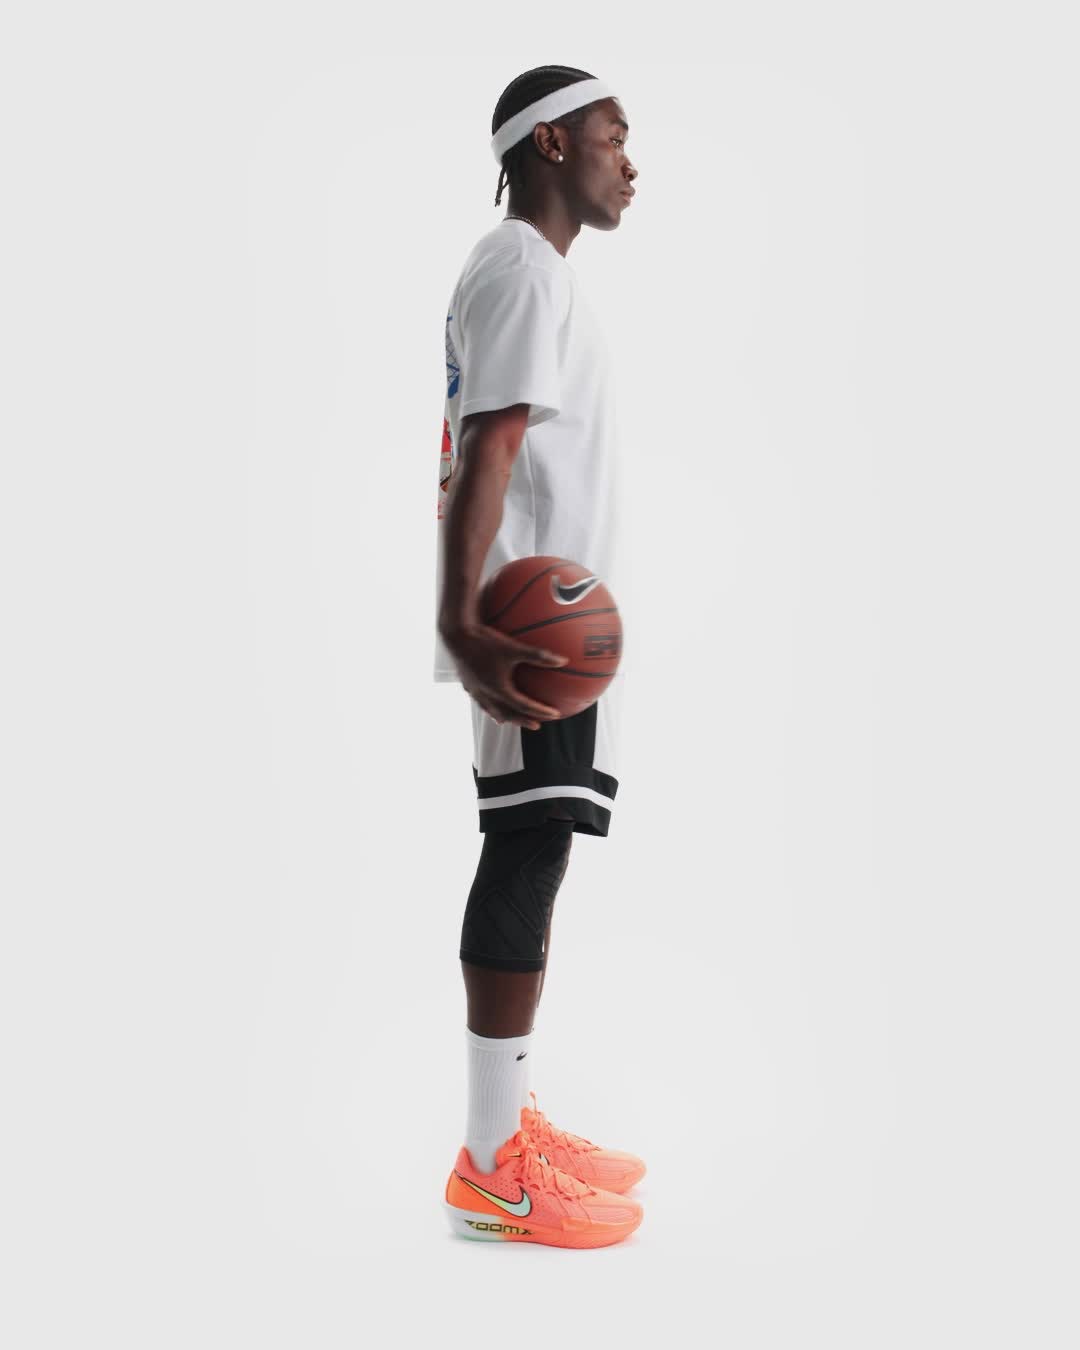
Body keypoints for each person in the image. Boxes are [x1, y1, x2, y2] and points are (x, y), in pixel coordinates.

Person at [433, 66, 645, 1249]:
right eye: (614, 136)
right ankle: (490, 1167)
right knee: (525, 855)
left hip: (547, 624)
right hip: (527, 632)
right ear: (552, 144)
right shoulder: (520, 264)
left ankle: (505, 1122)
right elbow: (492, 444)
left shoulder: (531, 271)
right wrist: (464, 618)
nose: (630, 161)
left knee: (541, 850)